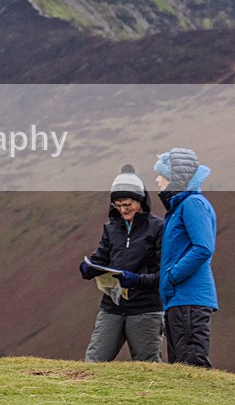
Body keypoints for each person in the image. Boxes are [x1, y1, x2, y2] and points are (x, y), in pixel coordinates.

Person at [79, 164, 164, 362]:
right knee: (94, 362)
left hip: (146, 308)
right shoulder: (111, 229)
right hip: (112, 307)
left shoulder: (158, 228)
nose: (123, 210)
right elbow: (101, 258)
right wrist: (89, 268)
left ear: (140, 201)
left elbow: (163, 274)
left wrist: (136, 280)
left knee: (148, 366)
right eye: (118, 205)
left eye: (127, 204)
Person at [154, 147, 218, 368]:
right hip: (179, 300)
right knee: (181, 369)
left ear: (174, 178)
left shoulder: (192, 204)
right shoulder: (180, 206)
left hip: (190, 298)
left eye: (162, 175)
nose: (157, 180)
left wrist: (172, 276)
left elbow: (203, 247)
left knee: (193, 367)